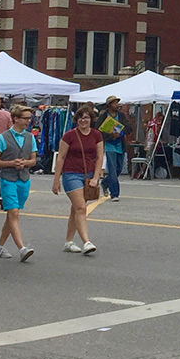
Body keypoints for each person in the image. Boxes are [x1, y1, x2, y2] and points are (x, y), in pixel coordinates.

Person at [52, 105, 105, 255]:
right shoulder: (69, 135)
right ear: (76, 119)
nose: (84, 120)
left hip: (88, 175)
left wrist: (96, 177)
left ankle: (69, 241)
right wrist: (56, 180)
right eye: (81, 117)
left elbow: (100, 157)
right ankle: (86, 242)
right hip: (71, 174)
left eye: (87, 117)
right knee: (81, 207)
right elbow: (60, 158)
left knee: (76, 208)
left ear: (91, 119)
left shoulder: (97, 135)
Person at [0, 104, 37, 261]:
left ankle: (0, 247)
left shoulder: (30, 137)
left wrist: (25, 163)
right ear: (16, 119)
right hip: (8, 179)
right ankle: (22, 248)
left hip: (24, 180)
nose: (28, 122)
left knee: (12, 214)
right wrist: (11, 163)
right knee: (14, 213)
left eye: (29, 119)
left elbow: (33, 160)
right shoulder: (2, 138)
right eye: (25, 118)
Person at [100, 98, 126, 201]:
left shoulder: (122, 115)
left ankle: (105, 182)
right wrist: (111, 135)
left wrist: (121, 132)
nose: (116, 105)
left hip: (120, 145)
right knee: (112, 170)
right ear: (109, 104)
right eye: (114, 103)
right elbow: (99, 131)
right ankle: (114, 193)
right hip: (109, 145)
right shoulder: (104, 116)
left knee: (118, 169)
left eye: (117, 103)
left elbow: (128, 127)